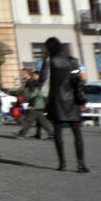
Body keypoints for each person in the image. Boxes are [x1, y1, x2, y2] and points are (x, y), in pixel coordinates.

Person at [40, 36, 88, 173]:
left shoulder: (49, 60)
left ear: (49, 47)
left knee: (58, 134)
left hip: (56, 100)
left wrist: (41, 95)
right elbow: (78, 82)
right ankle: (81, 164)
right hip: (72, 101)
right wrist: (81, 101)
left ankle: (62, 164)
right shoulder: (73, 61)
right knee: (77, 134)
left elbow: (43, 79)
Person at [16, 67, 54, 139]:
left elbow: (34, 94)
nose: (22, 74)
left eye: (24, 73)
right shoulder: (28, 81)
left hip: (35, 104)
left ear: (28, 74)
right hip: (38, 104)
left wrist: (30, 105)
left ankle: (21, 134)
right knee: (42, 121)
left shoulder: (31, 82)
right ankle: (52, 134)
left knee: (28, 120)